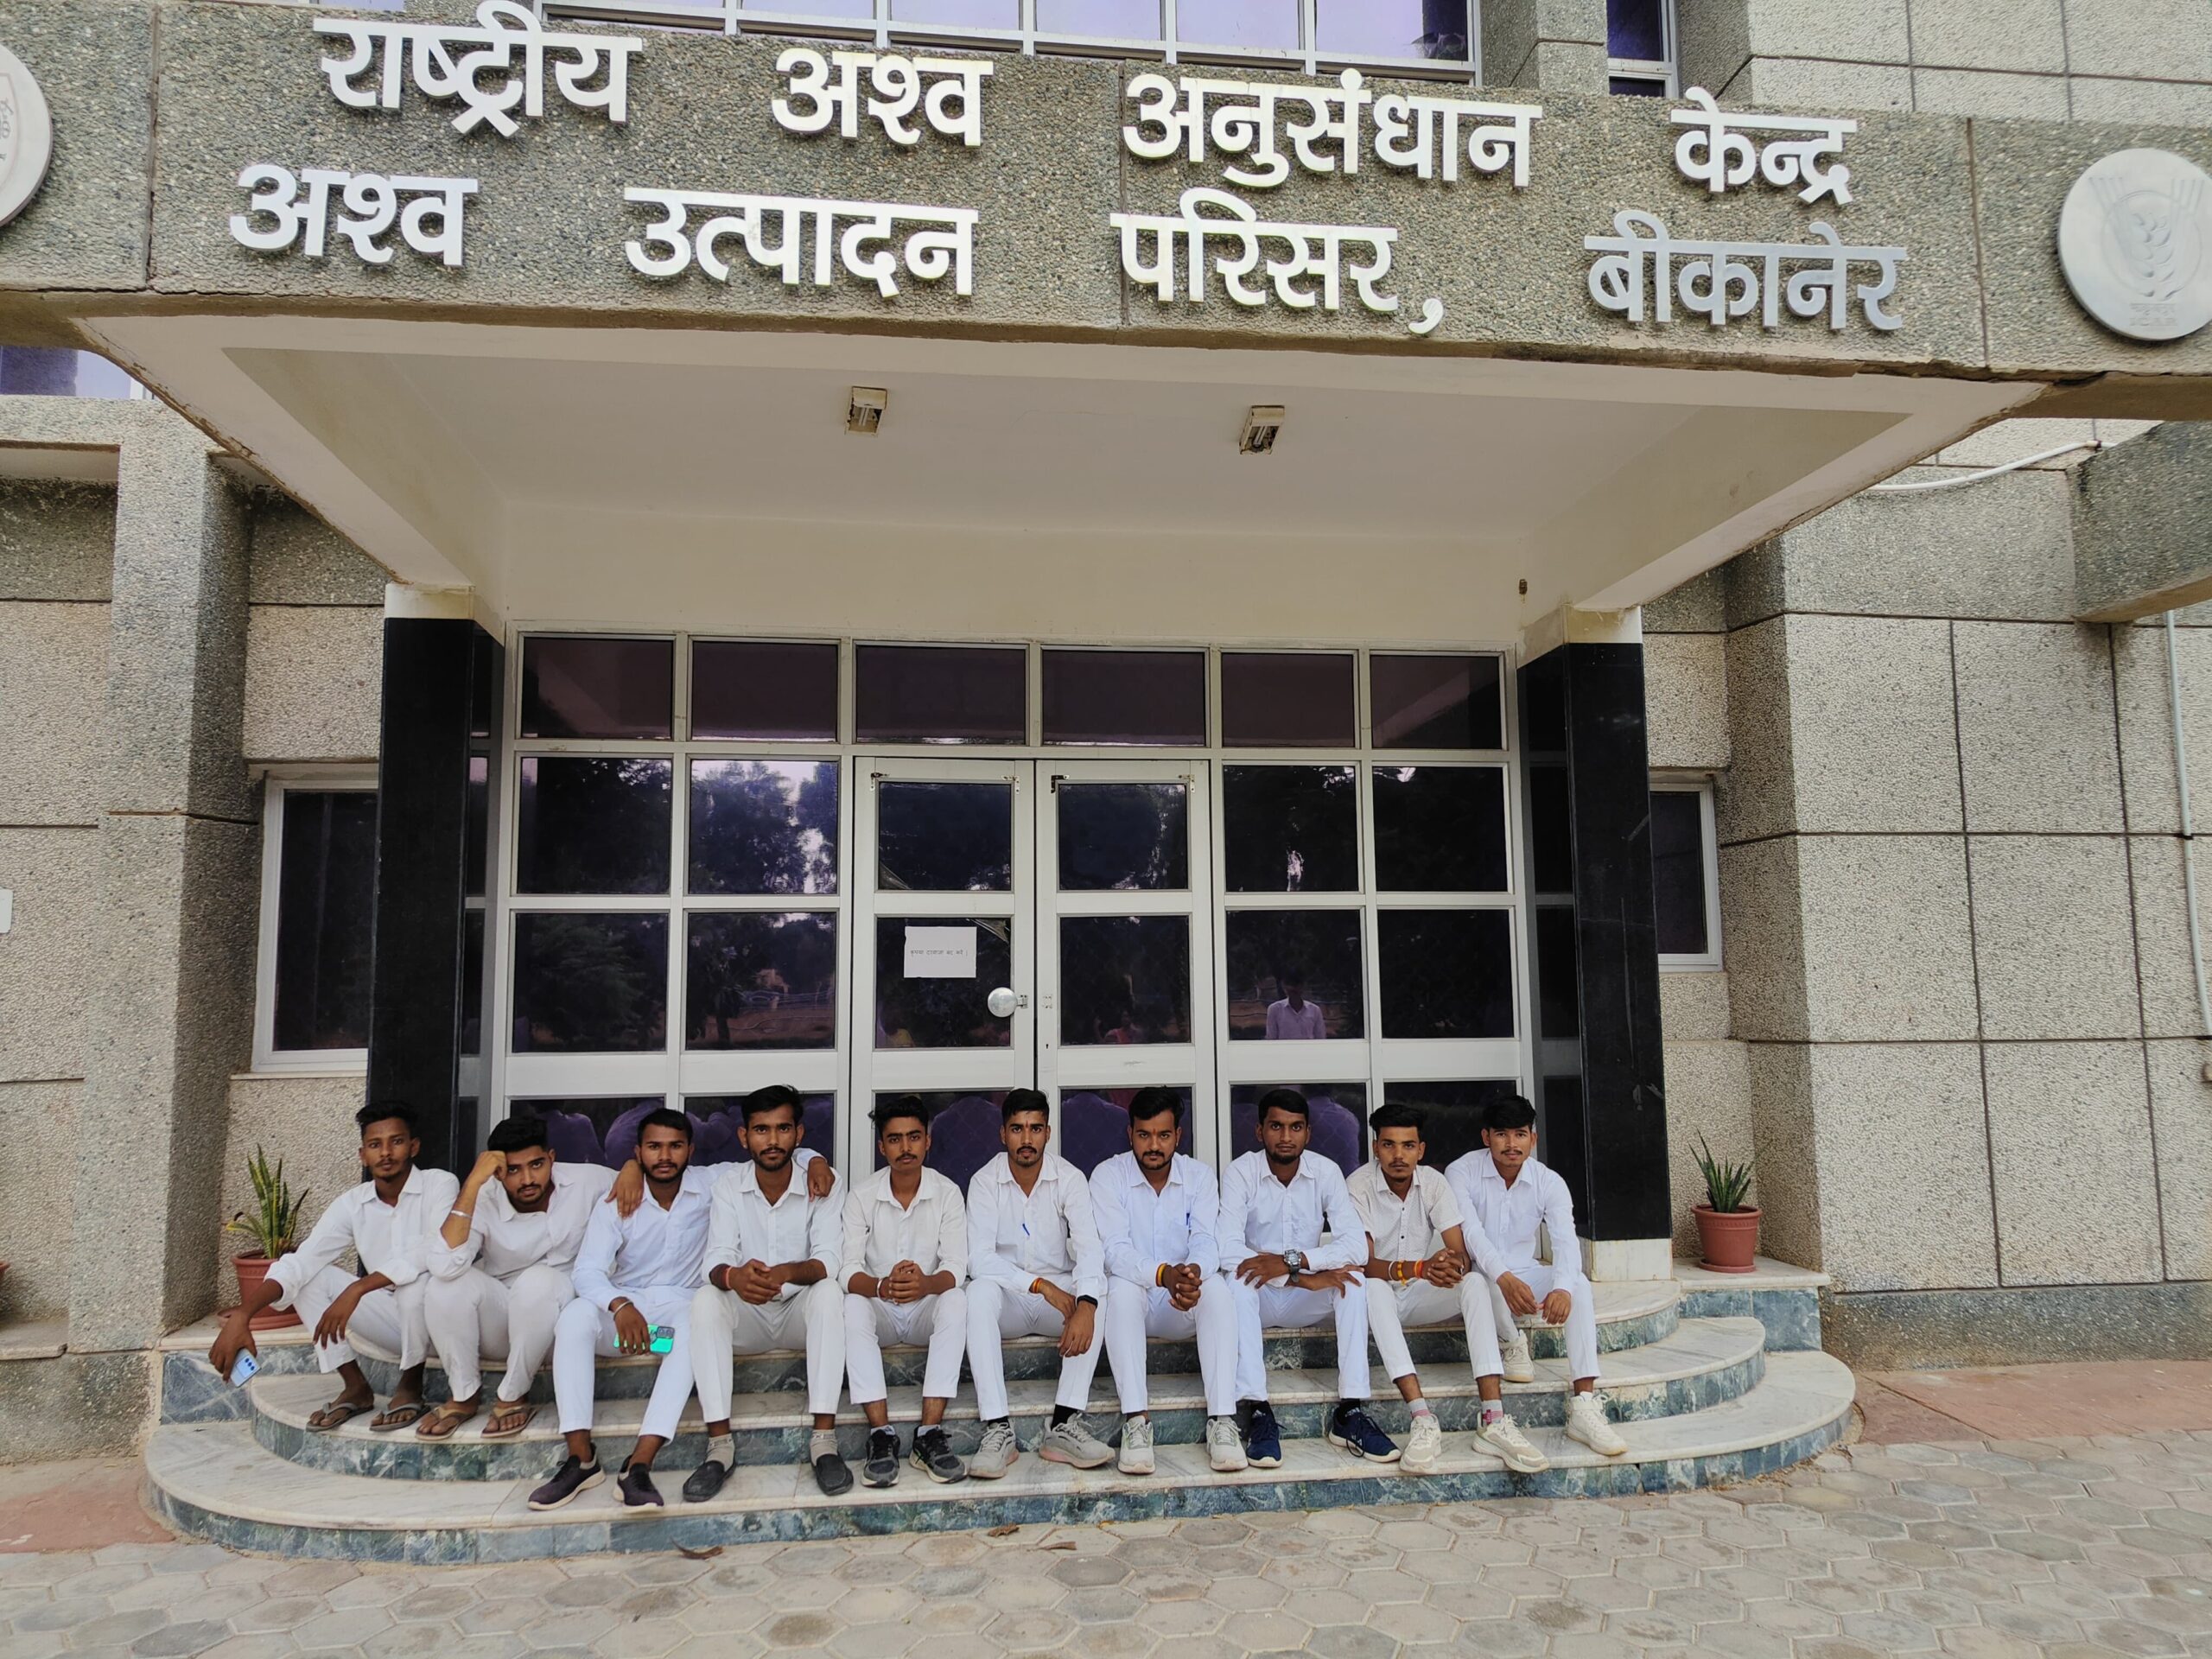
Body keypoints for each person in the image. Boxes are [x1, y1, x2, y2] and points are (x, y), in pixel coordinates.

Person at [208, 1103, 458, 1434]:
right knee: (309, 1278)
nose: (385, 1153)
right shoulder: (352, 1204)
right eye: (375, 1145)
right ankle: (355, 1386)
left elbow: (432, 1249)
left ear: (414, 1147)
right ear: (363, 1155)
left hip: (445, 1321)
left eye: (396, 1142)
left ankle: (410, 1384)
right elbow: (302, 1260)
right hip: (393, 1322)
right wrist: (244, 1314)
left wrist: (358, 1287)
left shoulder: (440, 1184)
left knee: (414, 1284)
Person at [1350, 1103, 1547, 1476]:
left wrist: (1449, 1265)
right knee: (1371, 1287)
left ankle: (1493, 1419)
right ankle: (1422, 1417)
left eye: (1408, 1146)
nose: (1398, 1155)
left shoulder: (1434, 1183)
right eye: (1389, 1145)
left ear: (1421, 1149)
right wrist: (1420, 1268)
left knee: (1474, 1282)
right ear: (1376, 1148)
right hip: (1381, 1295)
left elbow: (1460, 1255)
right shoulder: (1358, 1185)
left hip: (1420, 1292)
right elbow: (1362, 1262)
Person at [530, 1109, 711, 1511]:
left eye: (675, 1146)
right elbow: (588, 1270)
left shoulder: (712, 1186)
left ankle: (639, 1464)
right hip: (625, 1328)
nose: (665, 1156)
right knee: (575, 1317)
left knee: (697, 1322)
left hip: (666, 1333)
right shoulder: (616, 1200)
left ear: (690, 1150)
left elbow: (775, 1160)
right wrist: (620, 1305)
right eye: (653, 1147)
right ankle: (581, 1459)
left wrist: (816, 1162)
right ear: (638, 1152)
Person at [686, 1084, 850, 1502]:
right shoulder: (729, 1186)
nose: (772, 1140)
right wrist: (734, 1277)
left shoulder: (824, 1182)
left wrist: (788, 1272)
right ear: (744, 1136)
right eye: (761, 1130)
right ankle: (718, 1448)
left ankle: (824, 1441)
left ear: (799, 1134)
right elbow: (716, 1258)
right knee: (706, 1301)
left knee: (830, 1293)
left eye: (783, 1129)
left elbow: (829, 1259)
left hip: (798, 1311)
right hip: (750, 1313)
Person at [1446, 1095, 1629, 1459]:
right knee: (1482, 1278)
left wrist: (1562, 1288)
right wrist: (1504, 1277)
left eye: (1520, 1134)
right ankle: (1511, 1341)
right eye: (1501, 1134)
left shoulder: (1549, 1181)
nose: (1511, 1144)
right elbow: (1472, 1235)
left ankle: (1584, 1404)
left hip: (1524, 1271)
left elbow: (1565, 1240)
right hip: (1476, 1272)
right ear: (1486, 1137)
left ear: (1534, 1138)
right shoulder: (1461, 1171)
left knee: (1579, 1284)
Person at [1219, 1089, 1394, 1467]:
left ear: (1308, 1133)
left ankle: (1350, 1410)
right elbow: (1227, 1249)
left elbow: (1356, 1248)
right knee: (1236, 1282)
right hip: (1261, 1296)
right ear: (1259, 1131)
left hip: (1303, 1293)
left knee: (1353, 1282)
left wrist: (1294, 1264)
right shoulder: (1241, 1172)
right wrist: (1298, 1277)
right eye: (1276, 1127)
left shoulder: (1325, 1172)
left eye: (1295, 1127)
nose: (1286, 1136)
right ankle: (1258, 1409)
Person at [419, 1115, 618, 1440]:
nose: (527, 1179)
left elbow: (645, 1181)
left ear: (551, 1158)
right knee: (444, 1285)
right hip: (506, 1325)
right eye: (513, 1170)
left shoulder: (588, 1181)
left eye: (536, 1165)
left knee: (541, 1281)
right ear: (498, 1172)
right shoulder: (484, 1197)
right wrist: (472, 1184)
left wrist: (632, 1171)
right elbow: (443, 1265)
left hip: (572, 1328)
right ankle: (464, 1394)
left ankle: (513, 1395)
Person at [1090, 1088, 1244, 1476]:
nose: (1153, 1146)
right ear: (1130, 1134)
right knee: (1119, 1290)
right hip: (1137, 1300)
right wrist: (1163, 1275)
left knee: (1218, 1290)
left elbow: (1207, 1240)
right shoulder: (1108, 1176)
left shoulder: (1199, 1176)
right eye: (1144, 1135)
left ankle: (1222, 1421)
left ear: (1178, 1135)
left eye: (1163, 1135)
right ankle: (1136, 1422)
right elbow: (1114, 1250)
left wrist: (1192, 1275)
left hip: (1182, 1300)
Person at [964, 1089, 1113, 1477]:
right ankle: (998, 1428)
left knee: (1101, 1293)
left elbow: (1090, 1248)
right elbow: (978, 1259)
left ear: (1048, 1132)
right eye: (1017, 1129)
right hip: (1012, 1297)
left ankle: (1064, 1424)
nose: (1026, 1139)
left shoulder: (1070, 1179)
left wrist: (1086, 1304)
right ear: (1003, 1134)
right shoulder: (984, 1181)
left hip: (1059, 1302)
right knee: (976, 1294)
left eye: (1035, 1128)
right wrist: (1040, 1286)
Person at [842, 1096, 969, 1487]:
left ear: (927, 1141)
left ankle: (929, 1434)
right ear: (882, 1147)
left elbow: (956, 1267)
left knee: (956, 1299)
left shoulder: (948, 1193)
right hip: (880, 1307)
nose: (905, 1147)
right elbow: (847, 1270)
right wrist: (882, 1286)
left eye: (914, 1137)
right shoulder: (861, 1196)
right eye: (895, 1139)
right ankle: (881, 1434)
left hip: (924, 1309)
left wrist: (926, 1284)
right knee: (851, 1304)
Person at [1263, 969, 1327, 1041]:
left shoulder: (1315, 1010)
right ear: (1284, 987)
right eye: (1290, 986)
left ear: (1303, 987)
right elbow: (1271, 1039)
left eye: (1296, 986)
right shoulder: (1275, 1009)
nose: (1293, 989)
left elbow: (1320, 1039)